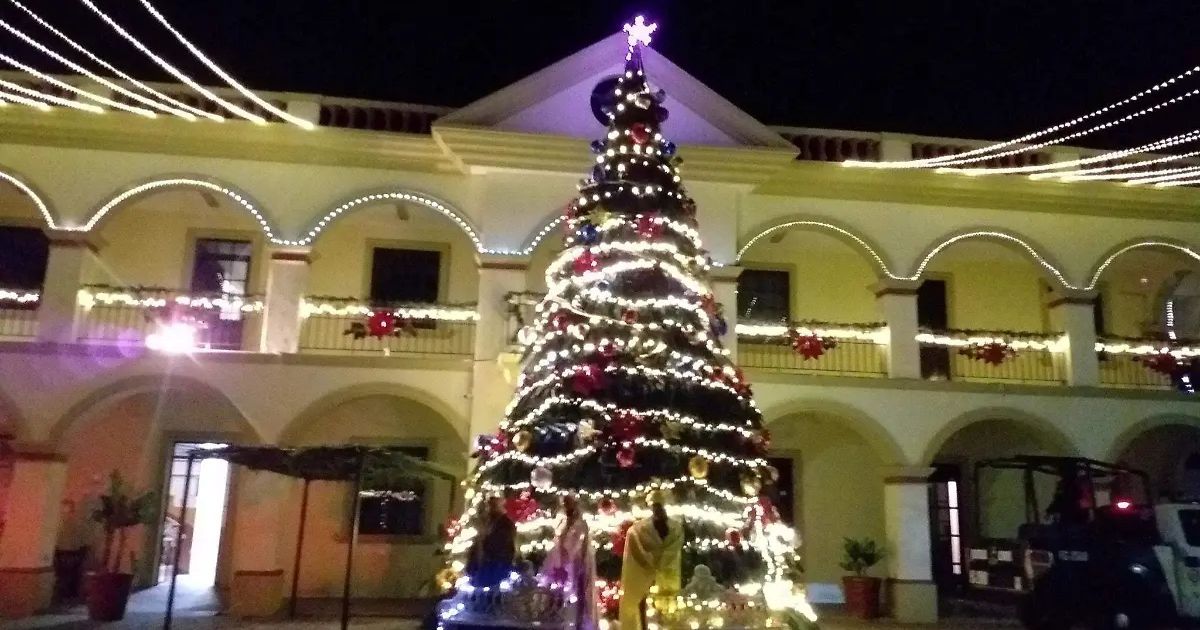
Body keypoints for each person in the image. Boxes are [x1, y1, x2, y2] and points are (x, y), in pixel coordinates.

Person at [619, 492, 683, 630]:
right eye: (655, 506)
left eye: (659, 506)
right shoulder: (639, 529)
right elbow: (635, 544)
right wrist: (649, 562)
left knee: (668, 613)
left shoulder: (676, 528)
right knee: (646, 613)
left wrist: (661, 562)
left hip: (668, 577)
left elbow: (674, 547)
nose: (657, 509)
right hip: (646, 578)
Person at [540, 495, 598, 630]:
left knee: (575, 595)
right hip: (558, 562)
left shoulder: (581, 524)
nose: (567, 507)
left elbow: (580, 545)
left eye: (569, 504)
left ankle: (576, 623)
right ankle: (554, 618)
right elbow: (558, 540)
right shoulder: (562, 522)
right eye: (565, 504)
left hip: (575, 563)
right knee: (555, 591)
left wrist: (571, 560)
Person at [466, 496, 516, 588]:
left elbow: (504, 545)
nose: (490, 508)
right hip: (481, 565)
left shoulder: (506, 524)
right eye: (490, 505)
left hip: (496, 565)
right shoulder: (486, 520)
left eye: (494, 505)